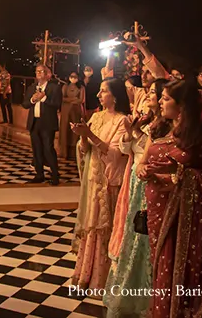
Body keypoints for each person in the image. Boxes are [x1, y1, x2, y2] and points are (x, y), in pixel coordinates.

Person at [139, 79, 202, 318]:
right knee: (163, 264)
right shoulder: (166, 128)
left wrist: (180, 174)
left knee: (189, 271)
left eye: (166, 98)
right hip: (166, 209)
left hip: (193, 217)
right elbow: (153, 160)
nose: (160, 101)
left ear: (182, 105)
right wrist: (148, 169)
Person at [102, 78, 169, 318]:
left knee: (143, 235)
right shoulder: (147, 120)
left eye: (156, 93)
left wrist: (136, 135)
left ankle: (143, 298)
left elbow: (149, 153)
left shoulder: (165, 126)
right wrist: (133, 133)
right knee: (130, 232)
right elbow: (126, 149)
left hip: (148, 183)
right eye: (152, 92)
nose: (152, 96)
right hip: (134, 181)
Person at [69, 78, 130, 290]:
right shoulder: (96, 116)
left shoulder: (123, 121)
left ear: (115, 95)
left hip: (108, 181)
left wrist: (90, 135)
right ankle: (84, 274)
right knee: (90, 225)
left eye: (103, 91)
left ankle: (101, 279)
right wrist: (82, 137)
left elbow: (115, 154)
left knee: (103, 227)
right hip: (93, 178)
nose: (98, 95)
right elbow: (85, 150)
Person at [23, 64, 63, 185]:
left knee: (48, 149)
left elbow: (57, 104)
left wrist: (43, 98)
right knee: (36, 150)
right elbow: (24, 104)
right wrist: (32, 100)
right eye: (37, 71)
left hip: (47, 123)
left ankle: (55, 175)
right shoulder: (32, 87)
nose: (39, 74)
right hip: (34, 122)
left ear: (48, 74)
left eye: (42, 71)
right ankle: (39, 174)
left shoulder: (54, 88)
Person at [60, 72, 85, 156]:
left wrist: (71, 100)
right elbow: (62, 98)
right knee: (65, 129)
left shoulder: (81, 88)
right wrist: (72, 99)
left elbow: (81, 100)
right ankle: (64, 152)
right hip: (65, 111)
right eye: (71, 76)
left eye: (75, 77)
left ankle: (74, 153)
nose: (73, 78)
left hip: (76, 111)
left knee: (75, 129)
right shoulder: (65, 86)